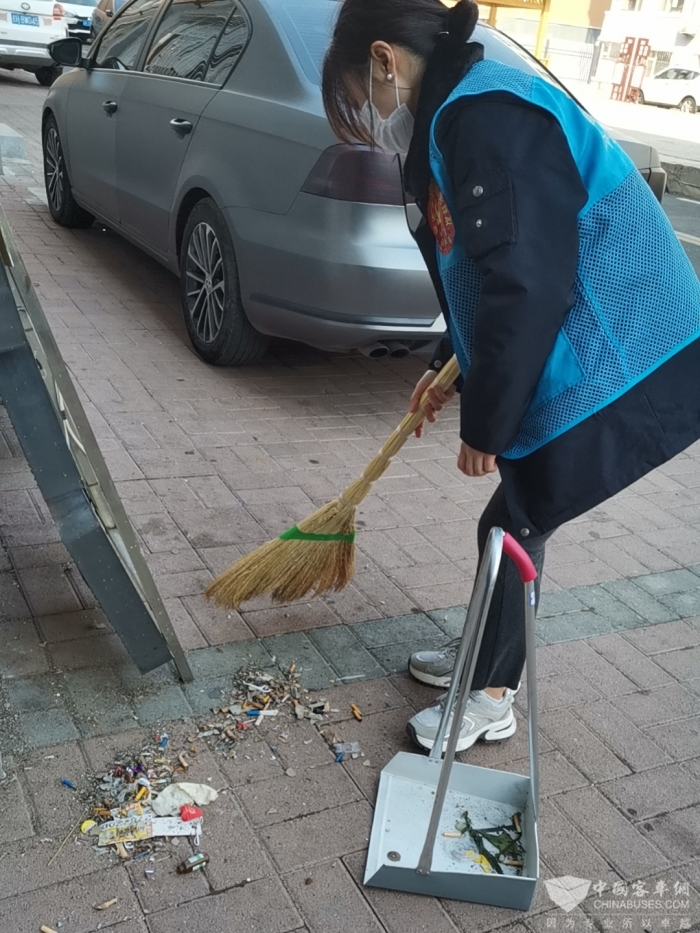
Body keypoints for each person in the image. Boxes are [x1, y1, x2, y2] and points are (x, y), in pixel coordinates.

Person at [322, 0, 700, 753]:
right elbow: (483, 275)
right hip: (600, 340)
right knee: (514, 521)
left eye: (363, 99)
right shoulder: (457, 117)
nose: (371, 120)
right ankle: (485, 660)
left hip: (635, 353)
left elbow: (528, 284)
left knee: (513, 521)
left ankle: (492, 694)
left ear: (385, 60)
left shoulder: (485, 117)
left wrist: (487, 426)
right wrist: (448, 369)